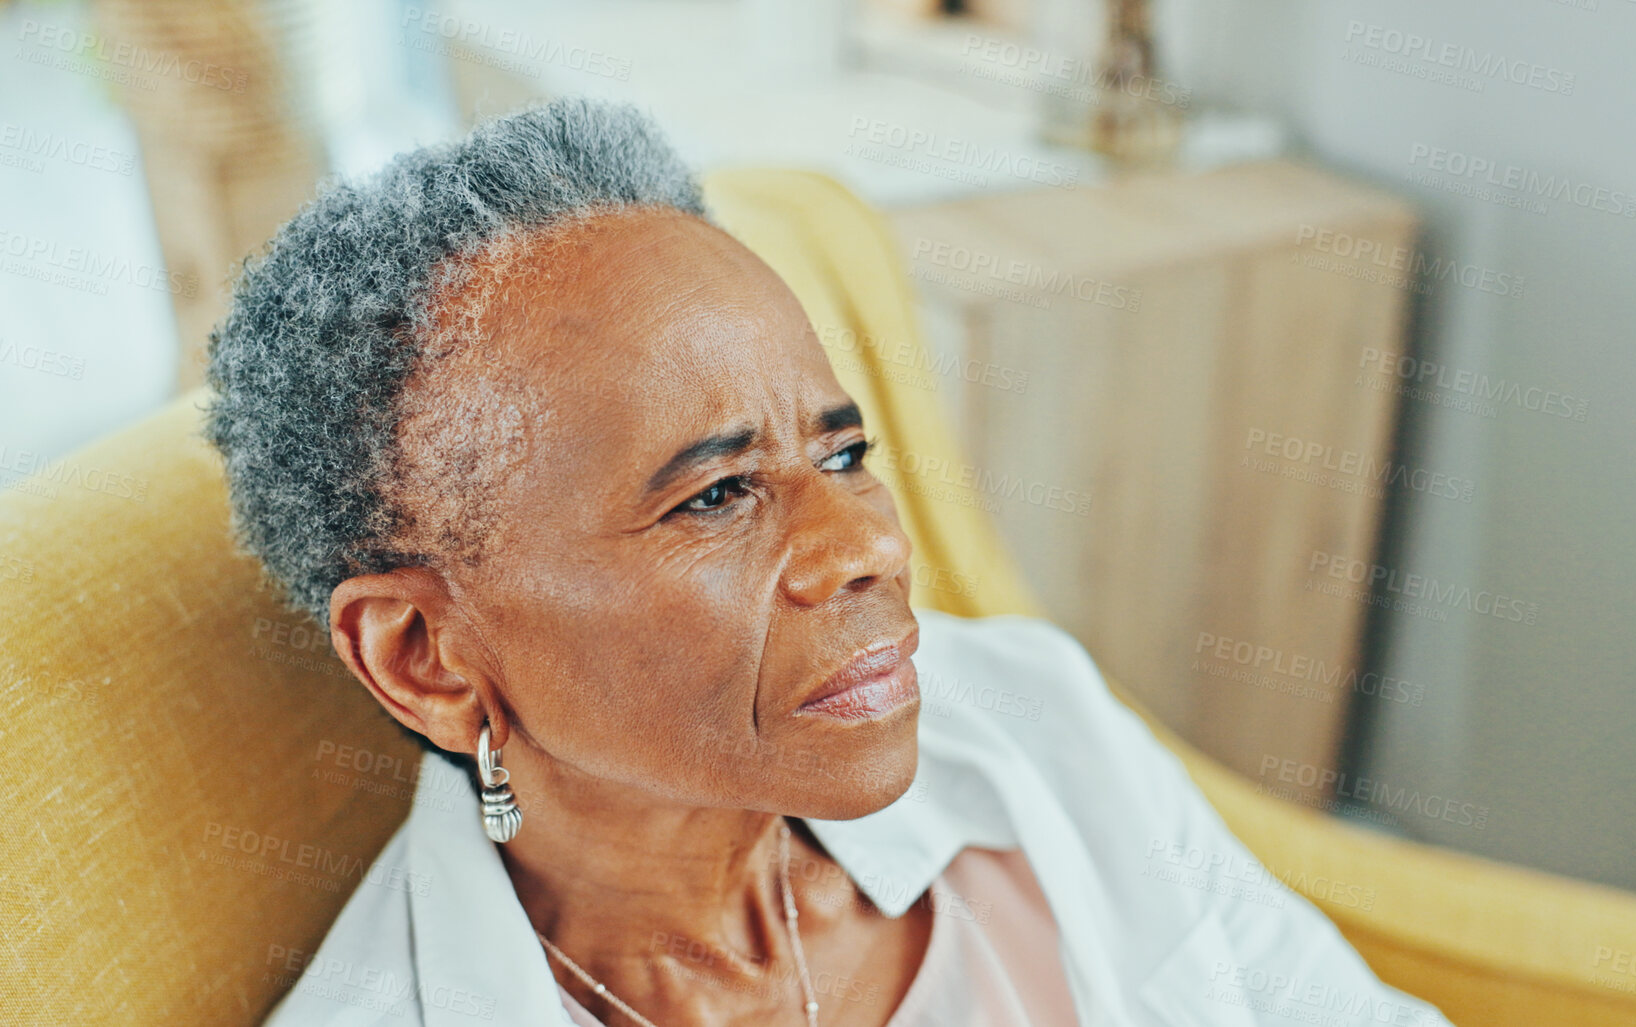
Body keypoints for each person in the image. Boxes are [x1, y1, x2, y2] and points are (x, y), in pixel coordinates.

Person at [204, 95, 1454, 1027]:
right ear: (425, 656)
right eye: (717, 495)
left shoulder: (1030, 715)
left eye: (844, 454)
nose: (870, 546)